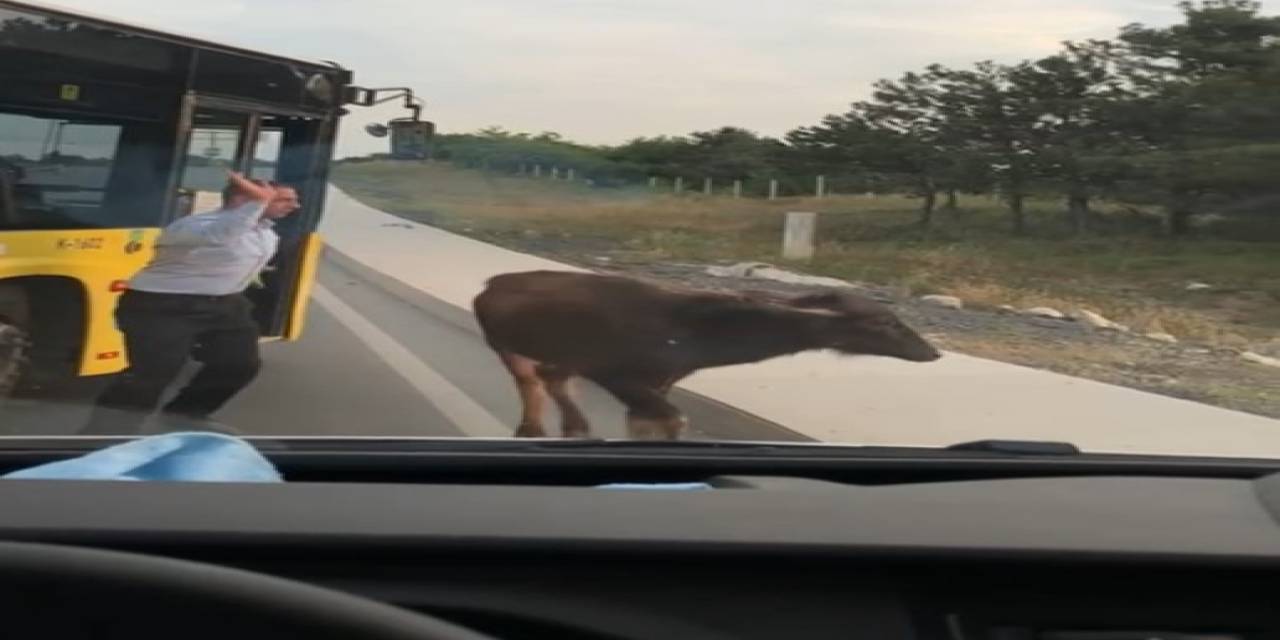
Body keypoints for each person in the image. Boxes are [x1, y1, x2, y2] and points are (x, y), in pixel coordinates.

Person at [82, 172, 301, 434]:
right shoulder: (194, 226)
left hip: (224, 304)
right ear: (244, 199)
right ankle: (102, 438)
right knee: (151, 376)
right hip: (162, 307)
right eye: (283, 200)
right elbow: (220, 236)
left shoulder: (266, 234)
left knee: (239, 366)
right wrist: (256, 204)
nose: (294, 206)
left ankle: (182, 417)